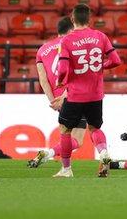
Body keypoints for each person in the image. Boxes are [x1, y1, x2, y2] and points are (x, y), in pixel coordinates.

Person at [53, 4, 122, 178]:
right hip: (96, 94)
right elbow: (116, 60)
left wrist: (60, 82)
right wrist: (100, 66)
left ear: (72, 19)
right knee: (94, 127)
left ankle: (66, 169)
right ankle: (104, 154)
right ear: (89, 19)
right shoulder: (100, 36)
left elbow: (62, 69)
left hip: (75, 95)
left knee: (65, 130)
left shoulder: (66, 41)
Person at [27, 17, 87, 168]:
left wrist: (53, 101)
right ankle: (48, 154)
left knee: (67, 134)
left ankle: (54, 160)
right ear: (71, 30)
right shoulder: (74, 46)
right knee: (77, 140)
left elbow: (43, 79)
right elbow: (77, 74)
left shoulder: (42, 50)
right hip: (75, 95)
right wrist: (65, 96)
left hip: (57, 101)